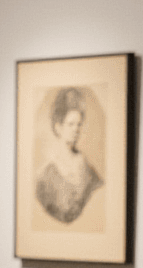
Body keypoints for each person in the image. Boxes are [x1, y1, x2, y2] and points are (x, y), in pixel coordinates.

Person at [35, 86, 102, 225]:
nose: (76, 129)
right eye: (70, 124)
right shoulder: (46, 174)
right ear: (58, 127)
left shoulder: (86, 167)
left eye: (78, 124)